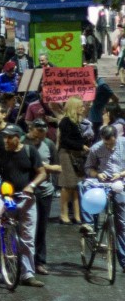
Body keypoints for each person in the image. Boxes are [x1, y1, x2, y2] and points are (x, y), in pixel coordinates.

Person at [0, 124, 47, 287]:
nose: (6, 140)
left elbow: (42, 172)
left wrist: (31, 186)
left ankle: (28, 274)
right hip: (7, 199)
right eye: (4, 136)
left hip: (26, 199)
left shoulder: (30, 151)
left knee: (27, 238)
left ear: (18, 138)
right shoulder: (1, 152)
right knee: (7, 235)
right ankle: (9, 267)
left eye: (9, 137)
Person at [81, 125, 125, 272]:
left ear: (116, 137)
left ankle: (123, 260)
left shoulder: (123, 144)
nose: (108, 146)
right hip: (102, 184)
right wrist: (97, 174)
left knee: (122, 224)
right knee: (83, 186)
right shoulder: (96, 148)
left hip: (120, 184)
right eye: (106, 143)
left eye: (111, 143)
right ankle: (89, 225)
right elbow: (88, 168)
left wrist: (121, 174)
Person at [24, 118, 60, 275]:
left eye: (43, 134)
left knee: (41, 228)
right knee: (24, 228)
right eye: (38, 133)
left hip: (44, 191)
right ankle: (24, 261)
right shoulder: (22, 142)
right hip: (26, 191)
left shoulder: (49, 144)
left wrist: (46, 167)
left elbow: (58, 167)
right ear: (30, 129)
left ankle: (39, 261)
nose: (40, 137)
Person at [58, 96, 88, 224]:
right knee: (67, 185)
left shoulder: (76, 121)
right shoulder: (65, 121)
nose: (83, 108)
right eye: (81, 106)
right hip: (67, 154)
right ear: (74, 107)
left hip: (76, 155)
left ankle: (77, 215)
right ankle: (63, 214)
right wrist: (81, 146)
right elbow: (64, 140)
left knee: (76, 186)